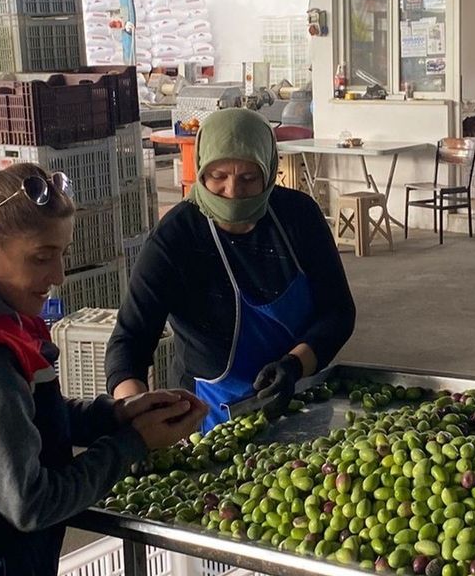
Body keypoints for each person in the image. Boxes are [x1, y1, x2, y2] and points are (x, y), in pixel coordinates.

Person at [0, 155, 206, 576]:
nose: (59, 275)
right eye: (41, 257)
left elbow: (15, 420)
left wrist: (114, 415)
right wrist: (131, 445)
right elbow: (30, 503)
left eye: (62, 254)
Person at [105, 109, 356, 431]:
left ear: (269, 171)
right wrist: (135, 415)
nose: (233, 191)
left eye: (249, 178)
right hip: (205, 417)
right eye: (218, 176)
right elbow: (130, 341)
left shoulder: (298, 217)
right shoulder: (176, 238)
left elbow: (337, 311)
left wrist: (294, 365)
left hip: (301, 398)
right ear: (200, 171)